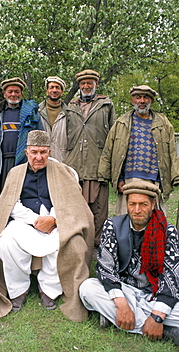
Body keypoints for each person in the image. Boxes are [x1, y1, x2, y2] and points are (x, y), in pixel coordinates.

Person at [0, 130, 94, 322]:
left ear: (49, 152)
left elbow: (71, 200)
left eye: (43, 152)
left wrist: (53, 220)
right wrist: (35, 220)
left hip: (56, 221)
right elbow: (10, 204)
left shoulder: (62, 171)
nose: (38, 157)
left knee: (64, 240)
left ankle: (49, 290)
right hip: (25, 221)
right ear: (27, 152)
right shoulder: (15, 173)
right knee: (6, 241)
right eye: (34, 152)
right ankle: (18, 289)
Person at [79, 181, 179, 347]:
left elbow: (172, 277)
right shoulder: (113, 226)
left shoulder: (167, 231)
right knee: (88, 288)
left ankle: (122, 319)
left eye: (143, 204)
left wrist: (157, 315)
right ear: (127, 204)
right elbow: (105, 269)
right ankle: (165, 332)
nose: (137, 210)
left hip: (155, 293)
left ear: (153, 204)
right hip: (126, 293)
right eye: (132, 204)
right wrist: (122, 304)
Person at [98, 85, 179, 215]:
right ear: (132, 101)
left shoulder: (163, 123)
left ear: (151, 101)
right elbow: (109, 151)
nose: (142, 101)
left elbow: (172, 152)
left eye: (146, 97)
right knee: (126, 219)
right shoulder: (121, 123)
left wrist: (173, 177)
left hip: (154, 179)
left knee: (152, 219)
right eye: (138, 97)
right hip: (128, 180)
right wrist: (117, 179)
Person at [64, 69, 116, 251]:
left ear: (96, 85)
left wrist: (109, 164)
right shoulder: (70, 106)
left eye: (89, 83)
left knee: (99, 208)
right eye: (83, 83)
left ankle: (96, 245)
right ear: (79, 86)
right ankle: (76, 243)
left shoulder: (106, 105)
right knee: (76, 206)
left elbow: (113, 136)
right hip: (74, 165)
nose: (86, 86)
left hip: (97, 163)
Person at [0, 77, 44, 202]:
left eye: (17, 91)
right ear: (4, 93)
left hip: (25, 161)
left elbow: (40, 137)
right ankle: (1, 221)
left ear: (21, 93)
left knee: (24, 194)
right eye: (10, 91)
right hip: (2, 162)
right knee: (3, 195)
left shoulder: (31, 114)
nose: (13, 94)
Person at [39, 76, 67, 162]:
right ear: (47, 91)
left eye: (57, 88)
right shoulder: (37, 112)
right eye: (51, 87)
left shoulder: (69, 113)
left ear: (62, 92)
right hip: (40, 160)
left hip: (62, 160)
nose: (54, 90)